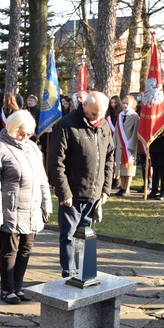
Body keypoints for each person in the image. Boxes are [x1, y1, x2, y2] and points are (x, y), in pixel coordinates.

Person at [0, 109, 52, 304]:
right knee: (10, 251)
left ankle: (19, 287)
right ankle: (7, 289)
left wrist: (47, 204)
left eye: (29, 132)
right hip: (9, 210)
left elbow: (42, 179)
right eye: (23, 131)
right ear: (13, 127)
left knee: (26, 250)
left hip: (32, 210)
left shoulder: (33, 148)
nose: (26, 136)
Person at [47, 91, 114, 277]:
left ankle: (84, 273)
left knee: (86, 237)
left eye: (101, 114)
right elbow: (55, 162)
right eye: (94, 114)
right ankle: (69, 274)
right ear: (84, 105)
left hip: (94, 194)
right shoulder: (66, 125)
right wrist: (64, 192)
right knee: (68, 236)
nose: (97, 118)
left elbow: (109, 158)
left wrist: (105, 188)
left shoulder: (104, 126)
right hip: (73, 194)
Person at [146, 88, 164, 200]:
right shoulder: (155, 105)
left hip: (163, 140)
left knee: (163, 167)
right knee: (155, 166)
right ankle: (154, 190)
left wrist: (157, 133)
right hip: (153, 140)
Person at [113, 94, 140, 196]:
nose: (125, 105)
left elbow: (135, 132)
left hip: (129, 146)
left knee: (128, 167)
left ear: (132, 104)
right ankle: (122, 186)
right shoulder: (120, 115)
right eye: (123, 103)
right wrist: (114, 143)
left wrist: (132, 144)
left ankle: (127, 188)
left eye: (127, 103)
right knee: (120, 166)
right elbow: (116, 130)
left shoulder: (135, 116)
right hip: (120, 144)